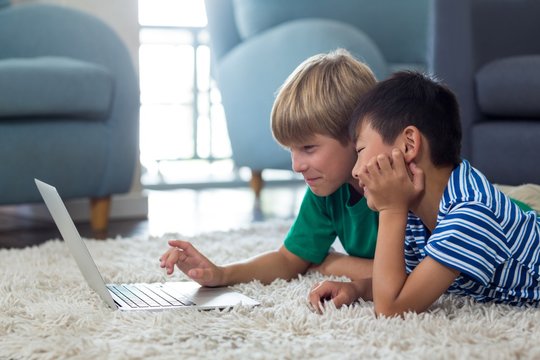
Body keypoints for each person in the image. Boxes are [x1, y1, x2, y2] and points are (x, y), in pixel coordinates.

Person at [308, 71, 540, 317]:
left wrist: (391, 209)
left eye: (361, 150)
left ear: (408, 145)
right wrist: (356, 288)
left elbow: (391, 310)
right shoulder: (419, 209)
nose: (355, 171)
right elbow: (409, 282)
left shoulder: (471, 214)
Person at [159, 49, 380, 286]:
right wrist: (222, 274)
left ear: (356, 134)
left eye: (308, 147)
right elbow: (288, 260)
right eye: (291, 150)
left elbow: (414, 276)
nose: (296, 166)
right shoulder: (328, 190)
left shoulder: (397, 184)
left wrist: (333, 264)